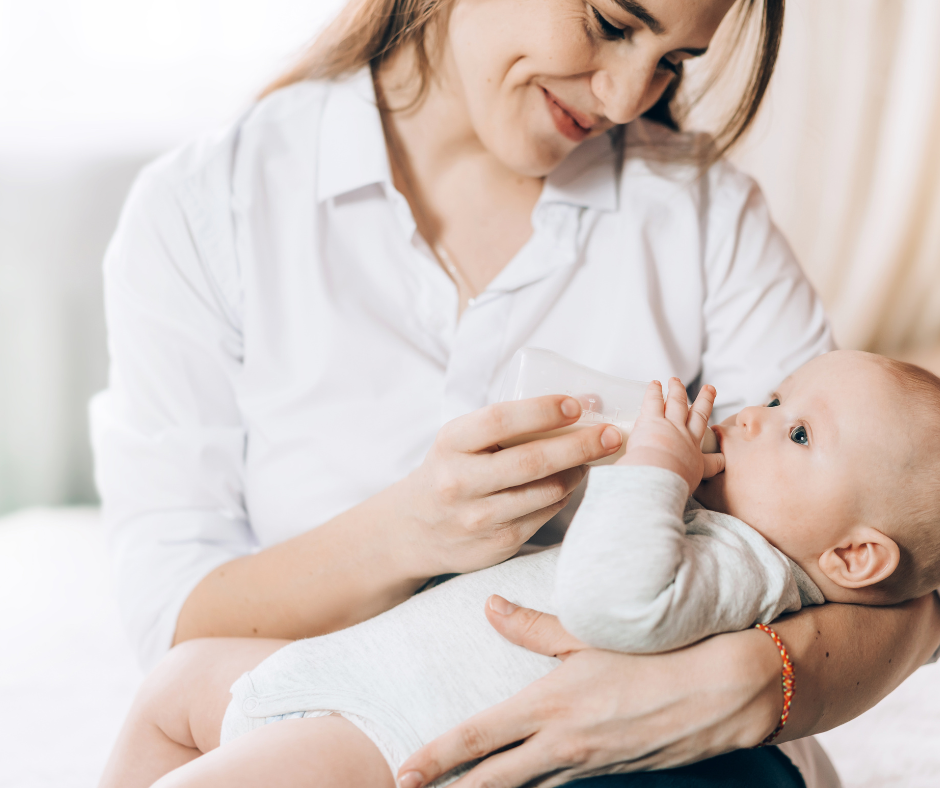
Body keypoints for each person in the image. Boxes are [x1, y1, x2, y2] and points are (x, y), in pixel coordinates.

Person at [90, 0, 940, 785]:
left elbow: (888, 564)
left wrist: (755, 679)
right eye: (611, 23)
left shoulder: (702, 211)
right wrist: (405, 533)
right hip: (360, 700)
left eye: (673, 61)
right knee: (176, 690)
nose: (625, 94)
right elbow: (176, 619)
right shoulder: (207, 212)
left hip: (666, 758)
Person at [96, 351, 940, 788]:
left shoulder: (753, 571)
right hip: (358, 668)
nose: (755, 416)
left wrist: (654, 465)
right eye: (779, 396)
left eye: (797, 434)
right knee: (178, 681)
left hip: (396, 732)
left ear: (854, 557)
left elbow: (615, 602)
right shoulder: (717, 524)